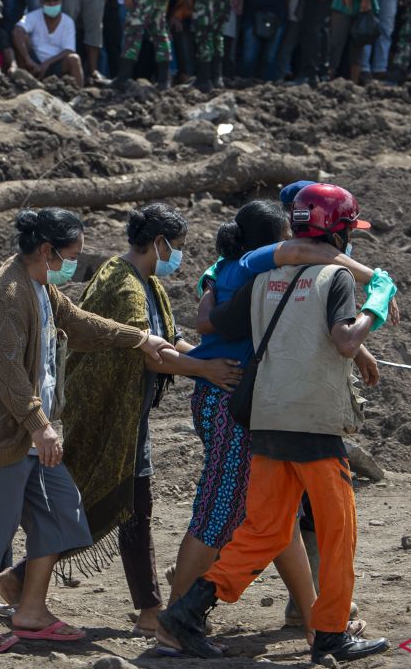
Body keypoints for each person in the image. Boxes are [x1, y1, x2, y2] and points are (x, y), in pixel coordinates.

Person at [158, 183, 397, 665]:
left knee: (263, 530)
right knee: (338, 529)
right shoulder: (337, 279)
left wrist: (213, 281)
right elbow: (345, 341)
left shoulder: (264, 277)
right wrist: (379, 302)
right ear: (341, 230)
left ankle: (187, 611)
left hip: (264, 419)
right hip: (311, 423)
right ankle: (329, 633)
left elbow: (218, 323)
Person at [0, 204, 243, 637]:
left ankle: (19, 578)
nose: (178, 256)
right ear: (159, 242)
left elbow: (167, 338)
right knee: (125, 506)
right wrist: (205, 370)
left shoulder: (147, 283)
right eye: (176, 247)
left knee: (110, 504)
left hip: (129, 413)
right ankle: (147, 610)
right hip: (108, 412)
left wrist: (207, 357)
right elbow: (150, 355)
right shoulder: (122, 285)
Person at [0, 207, 175, 654]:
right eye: (72, 255)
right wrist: (39, 426)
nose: (74, 264)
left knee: (60, 513)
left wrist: (138, 338)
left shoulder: (41, 287)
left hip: (35, 434)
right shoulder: (7, 296)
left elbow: (78, 322)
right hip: (3, 436)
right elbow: (6, 371)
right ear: (47, 250)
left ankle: (31, 611)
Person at [14, 0, 83, 86]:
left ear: (61, 1)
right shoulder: (33, 16)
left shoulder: (68, 21)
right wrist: (28, 59)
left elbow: (69, 49)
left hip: (56, 64)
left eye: (55, 0)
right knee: (22, 37)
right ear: (41, 1)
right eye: (48, 1)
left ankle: (79, 95)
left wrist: (47, 63)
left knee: (74, 58)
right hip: (34, 63)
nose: (52, 4)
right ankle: (24, 83)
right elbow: (17, 31)